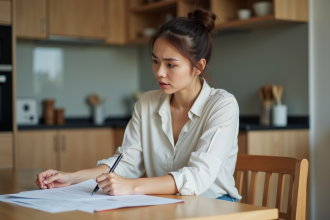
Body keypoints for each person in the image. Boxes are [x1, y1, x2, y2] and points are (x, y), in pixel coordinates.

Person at [35, 8, 242, 203]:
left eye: (171, 64)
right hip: (167, 203)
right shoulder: (147, 102)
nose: (160, 72)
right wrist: (72, 178)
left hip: (215, 204)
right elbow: (125, 163)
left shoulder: (222, 105)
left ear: (198, 66)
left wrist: (131, 187)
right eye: (155, 61)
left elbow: (199, 176)